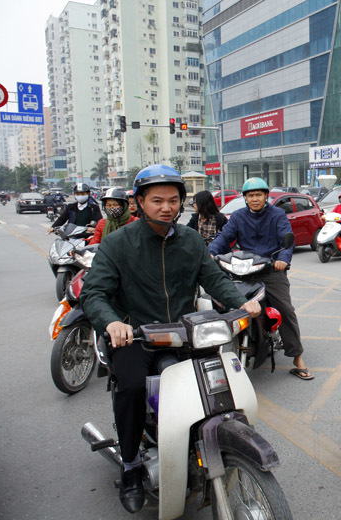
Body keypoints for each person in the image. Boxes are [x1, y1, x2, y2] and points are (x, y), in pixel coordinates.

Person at [80, 164, 261, 513]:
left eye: (173, 200)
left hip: (184, 333)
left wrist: (243, 303)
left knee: (215, 381)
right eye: (157, 200)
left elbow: (214, 279)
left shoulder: (191, 240)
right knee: (132, 387)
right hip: (136, 337)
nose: (167, 207)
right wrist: (114, 322)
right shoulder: (118, 243)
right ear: (139, 202)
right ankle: (131, 463)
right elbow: (94, 293)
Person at [208, 178, 314, 381]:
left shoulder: (277, 215)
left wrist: (282, 259)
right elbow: (224, 237)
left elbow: (287, 238)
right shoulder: (238, 217)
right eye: (250, 195)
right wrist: (211, 252)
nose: (254, 199)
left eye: (258, 195)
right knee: (223, 302)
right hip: (243, 268)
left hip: (270, 268)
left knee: (285, 308)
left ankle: (297, 356)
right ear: (245, 198)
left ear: (266, 196)